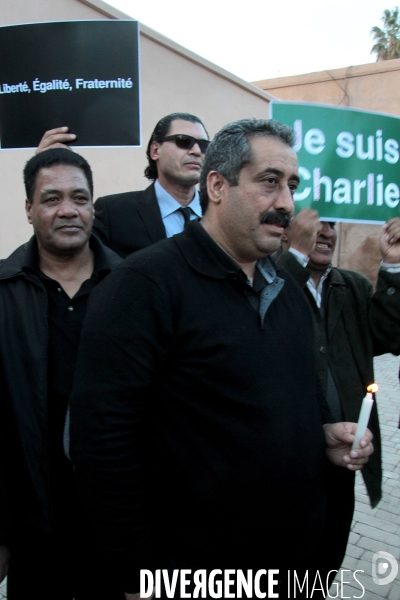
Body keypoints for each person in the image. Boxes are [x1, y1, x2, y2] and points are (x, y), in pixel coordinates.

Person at [69, 119, 373, 600]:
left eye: (291, 186)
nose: (286, 204)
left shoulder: (288, 294)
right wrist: (137, 578)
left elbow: (274, 408)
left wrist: (322, 439)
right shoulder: (143, 285)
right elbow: (100, 447)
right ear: (216, 185)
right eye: (269, 182)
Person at [0, 148, 123, 599]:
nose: (68, 209)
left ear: (93, 205)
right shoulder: (3, 292)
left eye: (79, 197)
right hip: (33, 532)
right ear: (29, 209)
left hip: (119, 532)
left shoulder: (135, 289)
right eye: (51, 199)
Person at [274, 208, 400, 581]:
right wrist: (294, 257)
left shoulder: (353, 286)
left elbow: (388, 336)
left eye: (332, 223)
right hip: (285, 459)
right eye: (315, 222)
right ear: (287, 230)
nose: (326, 232)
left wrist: (392, 267)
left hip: (343, 456)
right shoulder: (268, 279)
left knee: (326, 559)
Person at [36, 113, 210, 257]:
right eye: (183, 141)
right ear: (155, 150)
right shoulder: (114, 212)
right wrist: (46, 167)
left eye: (203, 145)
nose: (196, 151)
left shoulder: (220, 213)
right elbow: (67, 256)